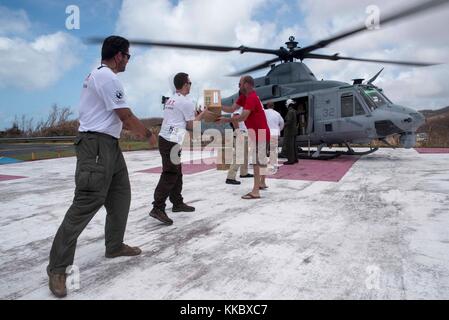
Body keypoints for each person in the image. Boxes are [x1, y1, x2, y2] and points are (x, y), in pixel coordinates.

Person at [47, 35, 157, 298]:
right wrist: (149, 135)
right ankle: (58, 268)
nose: (128, 61)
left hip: (109, 146)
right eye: (128, 56)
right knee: (86, 203)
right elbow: (126, 117)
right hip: (95, 146)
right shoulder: (107, 76)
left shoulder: (99, 76)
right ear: (119, 55)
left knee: (120, 197)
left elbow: (119, 119)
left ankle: (114, 245)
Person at [150, 72, 207, 225]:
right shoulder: (185, 102)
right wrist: (202, 114)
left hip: (167, 139)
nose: (191, 85)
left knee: (177, 172)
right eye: (190, 83)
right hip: (171, 141)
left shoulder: (171, 99)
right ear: (184, 84)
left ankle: (177, 202)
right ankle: (158, 207)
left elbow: (181, 119)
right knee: (170, 174)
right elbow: (191, 125)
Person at [218, 75, 270, 199]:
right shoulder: (244, 97)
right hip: (257, 133)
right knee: (261, 161)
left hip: (260, 134)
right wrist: (217, 105)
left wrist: (226, 120)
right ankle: (261, 183)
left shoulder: (251, 98)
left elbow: (243, 117)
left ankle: (255, 191)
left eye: (240, 84)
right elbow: (231, 108)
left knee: (257, 163)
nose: (238, 86)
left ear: (247, 84)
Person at [225, 106, 252, 185]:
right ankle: (230, 177)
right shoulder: (239, 107)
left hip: (245, 133)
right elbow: (234, 118)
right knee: (238, 155)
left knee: (245, 154)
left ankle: (244, 173)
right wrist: (238, 131)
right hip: (241, 133)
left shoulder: (244, 107)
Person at [264, 101, 284, 169]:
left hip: (265, 132)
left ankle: (263, 164)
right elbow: (282, 123)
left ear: (267, 106)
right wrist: (279, 130)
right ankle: (274, 164)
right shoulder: (277, 114)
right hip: (274, 132)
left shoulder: (264, 112)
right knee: (273, 149)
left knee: (264, 149)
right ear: (273, 106)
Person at [283, 99, 299, 165]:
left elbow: (289, 121)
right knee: (294, 146)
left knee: (289, 146)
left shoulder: (290, 112)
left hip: (289, 131)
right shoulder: (294, 111)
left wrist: (282, 125)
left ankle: (290, 160)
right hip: (294, 131)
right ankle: (295, 159)